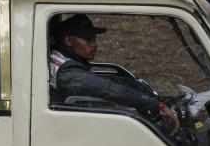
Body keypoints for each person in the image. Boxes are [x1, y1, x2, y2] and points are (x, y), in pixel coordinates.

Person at [49, 13, 179, 136]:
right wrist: (156, 105)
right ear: (69, 40)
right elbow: (106, 88)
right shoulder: (67, 72)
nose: (95, 45)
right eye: (89, 40)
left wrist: (152, 97)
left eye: (95, 39)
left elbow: (102, 83)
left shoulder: (62, 57)